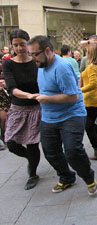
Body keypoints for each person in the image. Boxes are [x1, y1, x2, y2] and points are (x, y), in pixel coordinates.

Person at [28, 35, 97, 195]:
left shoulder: (62, 67)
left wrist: (47, 98)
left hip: (71, 114)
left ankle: (89, 178)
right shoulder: (40, 66)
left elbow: (72, 96)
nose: (33, 58)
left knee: (72, 150)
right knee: (50, 151)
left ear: (47, 51)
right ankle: (66, 177)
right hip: (49, 117)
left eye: (34, 54)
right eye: (30, 54)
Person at [2, 29, 41, 190]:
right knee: (10, 142)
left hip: (36, 108)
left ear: (28, 44)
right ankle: (31, 159)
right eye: (15, 45)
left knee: (32, 144)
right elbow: (12, 88)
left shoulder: (36, 62)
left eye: (22, 44)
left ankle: (32, 173)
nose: (19, 48)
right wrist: (29, 95)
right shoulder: (8, 64)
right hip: (18, 107)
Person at [79, 44, 97, 161]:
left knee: (88, 126)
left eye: (87, 51)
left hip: (91, 100)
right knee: (90, 124)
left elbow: (93, 84)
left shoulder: (91, 67)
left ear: (90, 54)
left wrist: (79, 90)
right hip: (94, 99)